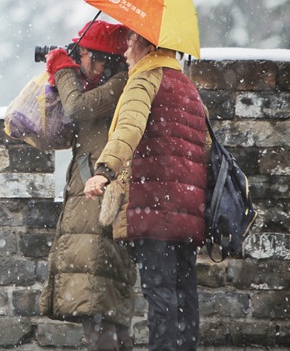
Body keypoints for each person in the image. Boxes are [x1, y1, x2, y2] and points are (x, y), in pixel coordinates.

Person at [84, 31, 209, 351]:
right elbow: (204, 147)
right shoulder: (188, 88)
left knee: (160, 294)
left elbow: (129, 129)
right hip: (187, 208)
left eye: (130, 42)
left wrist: (104, 171)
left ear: (149, 45)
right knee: (184, 295)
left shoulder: (144, 80)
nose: (125, 50)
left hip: (152, 203)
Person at [39, 20, 137, 351]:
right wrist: (63, 77)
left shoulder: (121, 84)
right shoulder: (105, 86)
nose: (79, 61)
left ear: (103, 60)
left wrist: (64, 71)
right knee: (99, 308)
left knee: (98, 306)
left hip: (100, 204)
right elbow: (59, 133)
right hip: (88, 205)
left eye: (83, 55)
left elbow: (77, 109)